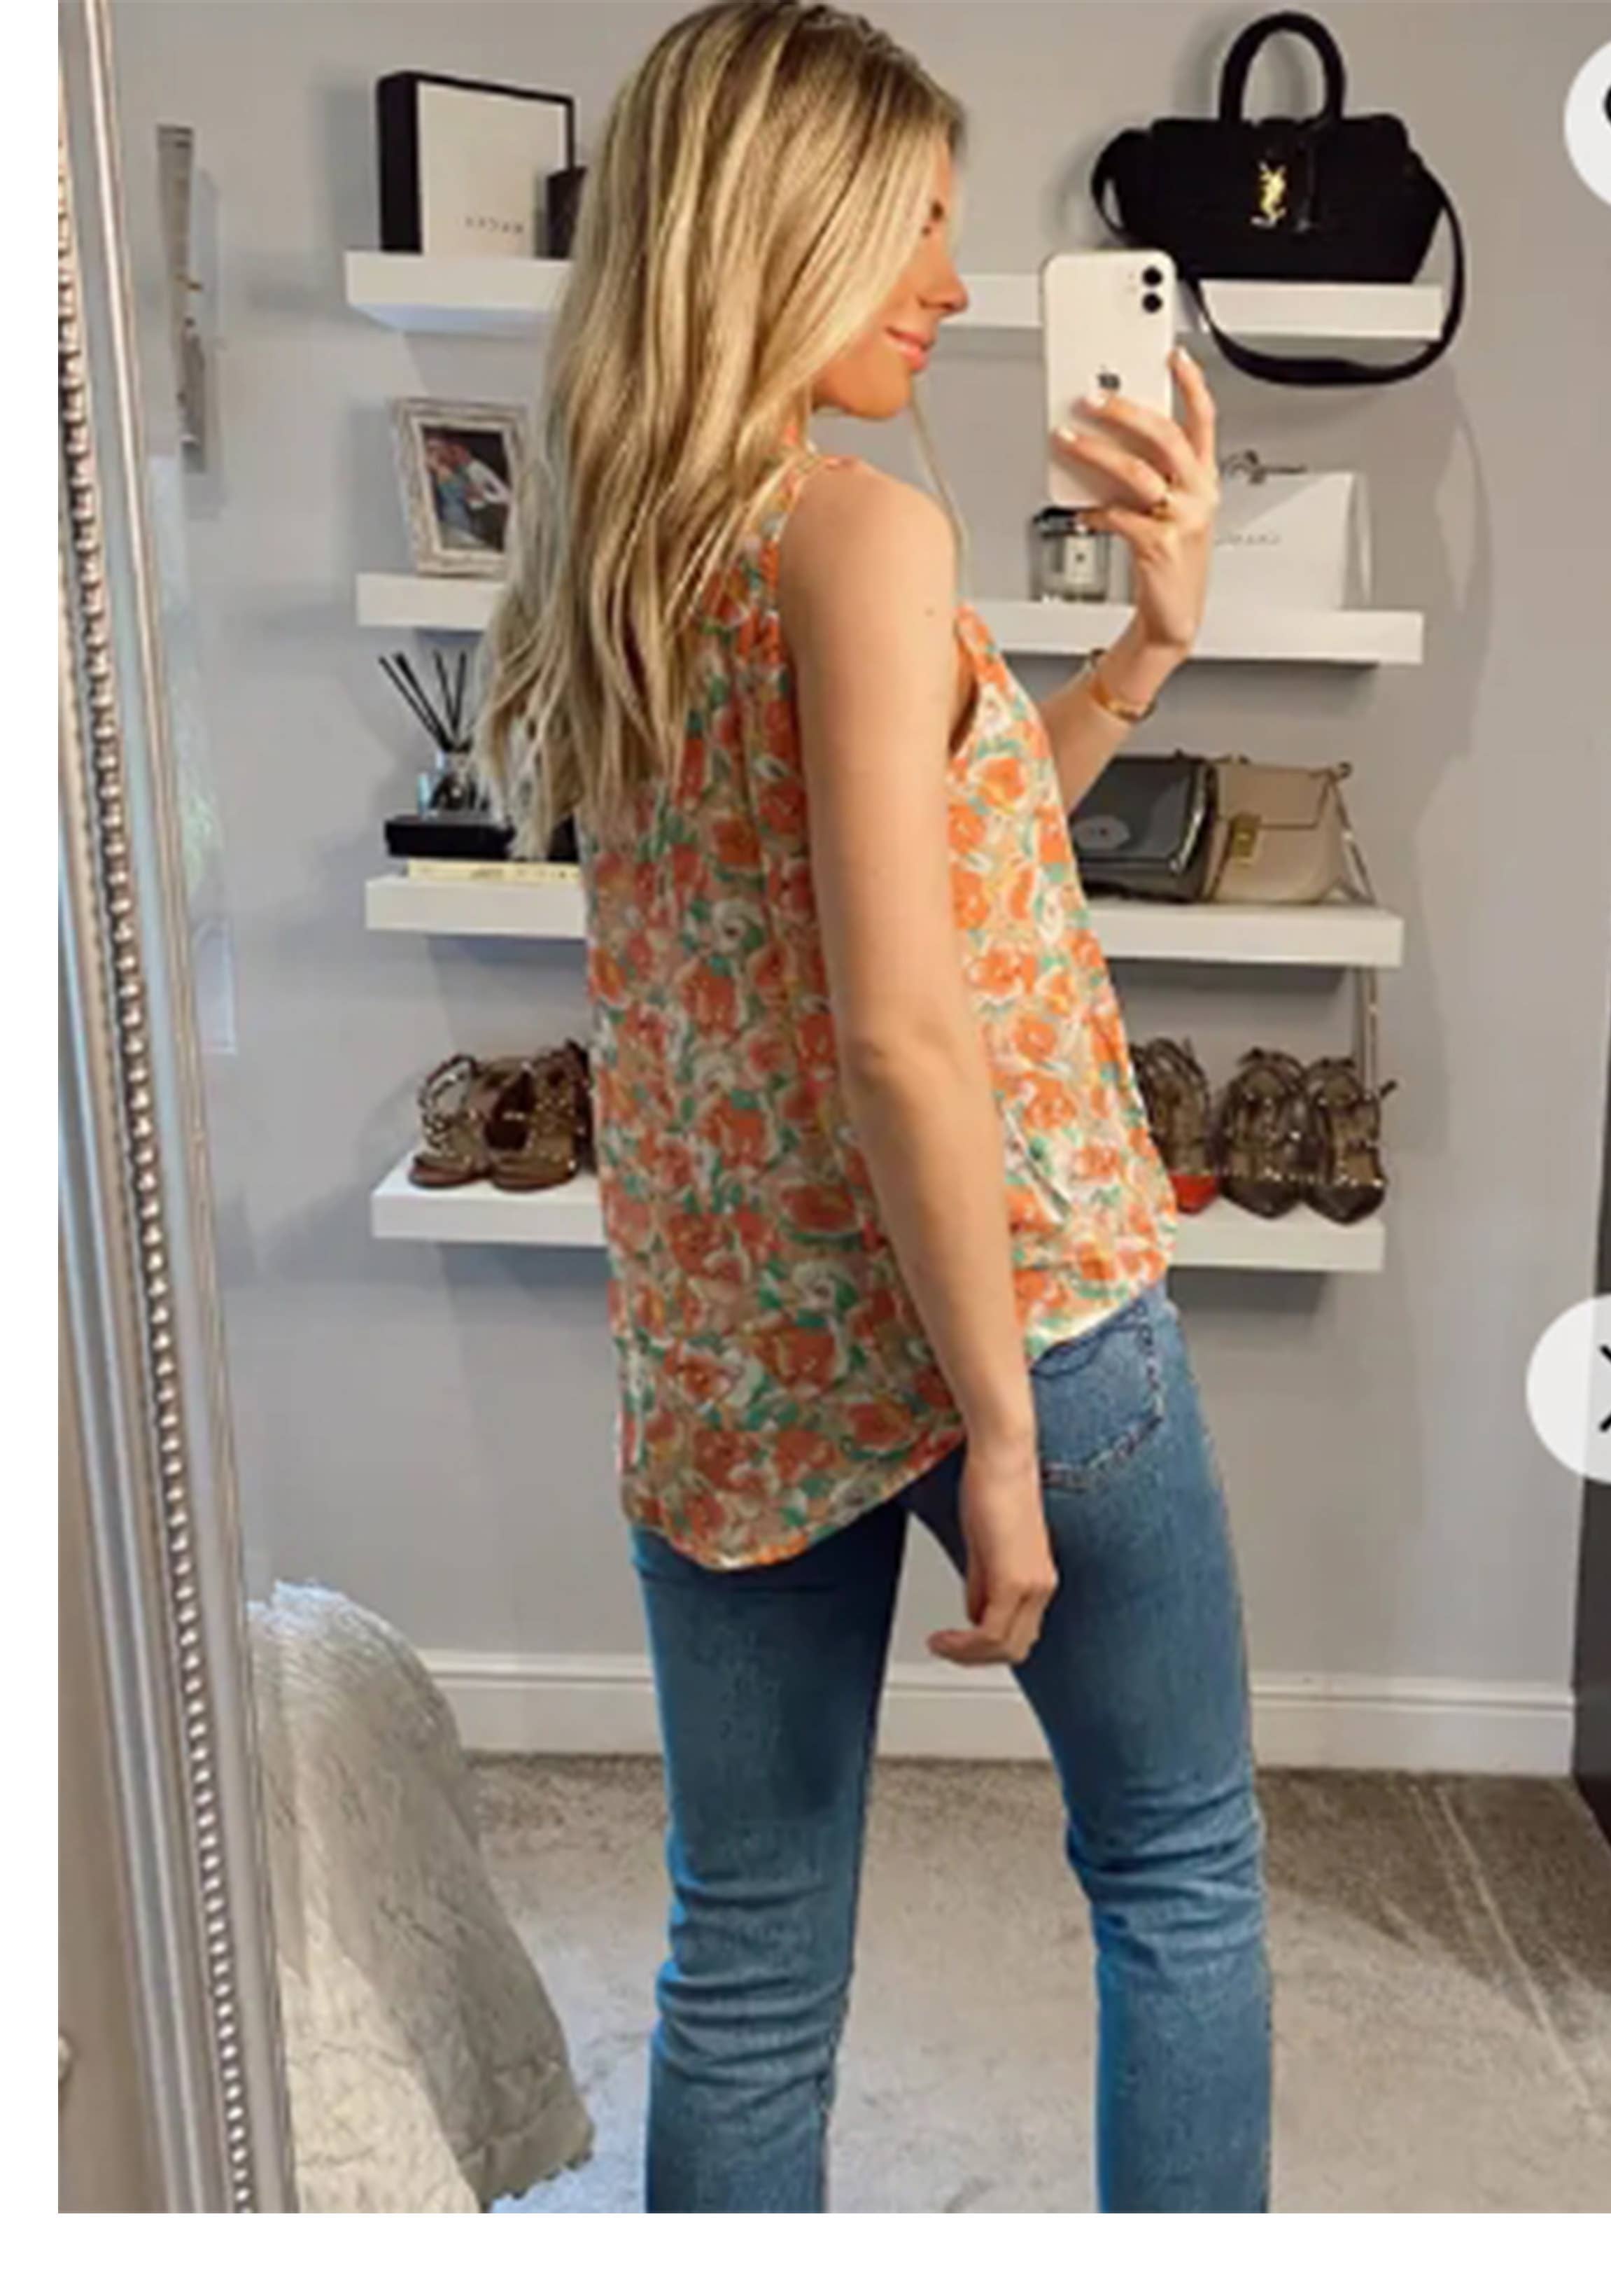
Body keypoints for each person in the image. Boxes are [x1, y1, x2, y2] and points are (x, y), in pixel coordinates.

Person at [476, 0, 1270, 2214]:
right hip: (1018, 1310)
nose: (948, 277)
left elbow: (930, 883)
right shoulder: (861, 533)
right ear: (779, 230)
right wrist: (999, 1434)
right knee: (1179, 1866)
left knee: (744, 1956)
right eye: (910, 224)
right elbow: (907, 1035)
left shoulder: (618, 550)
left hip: (739, 1348)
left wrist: (1139, 656)